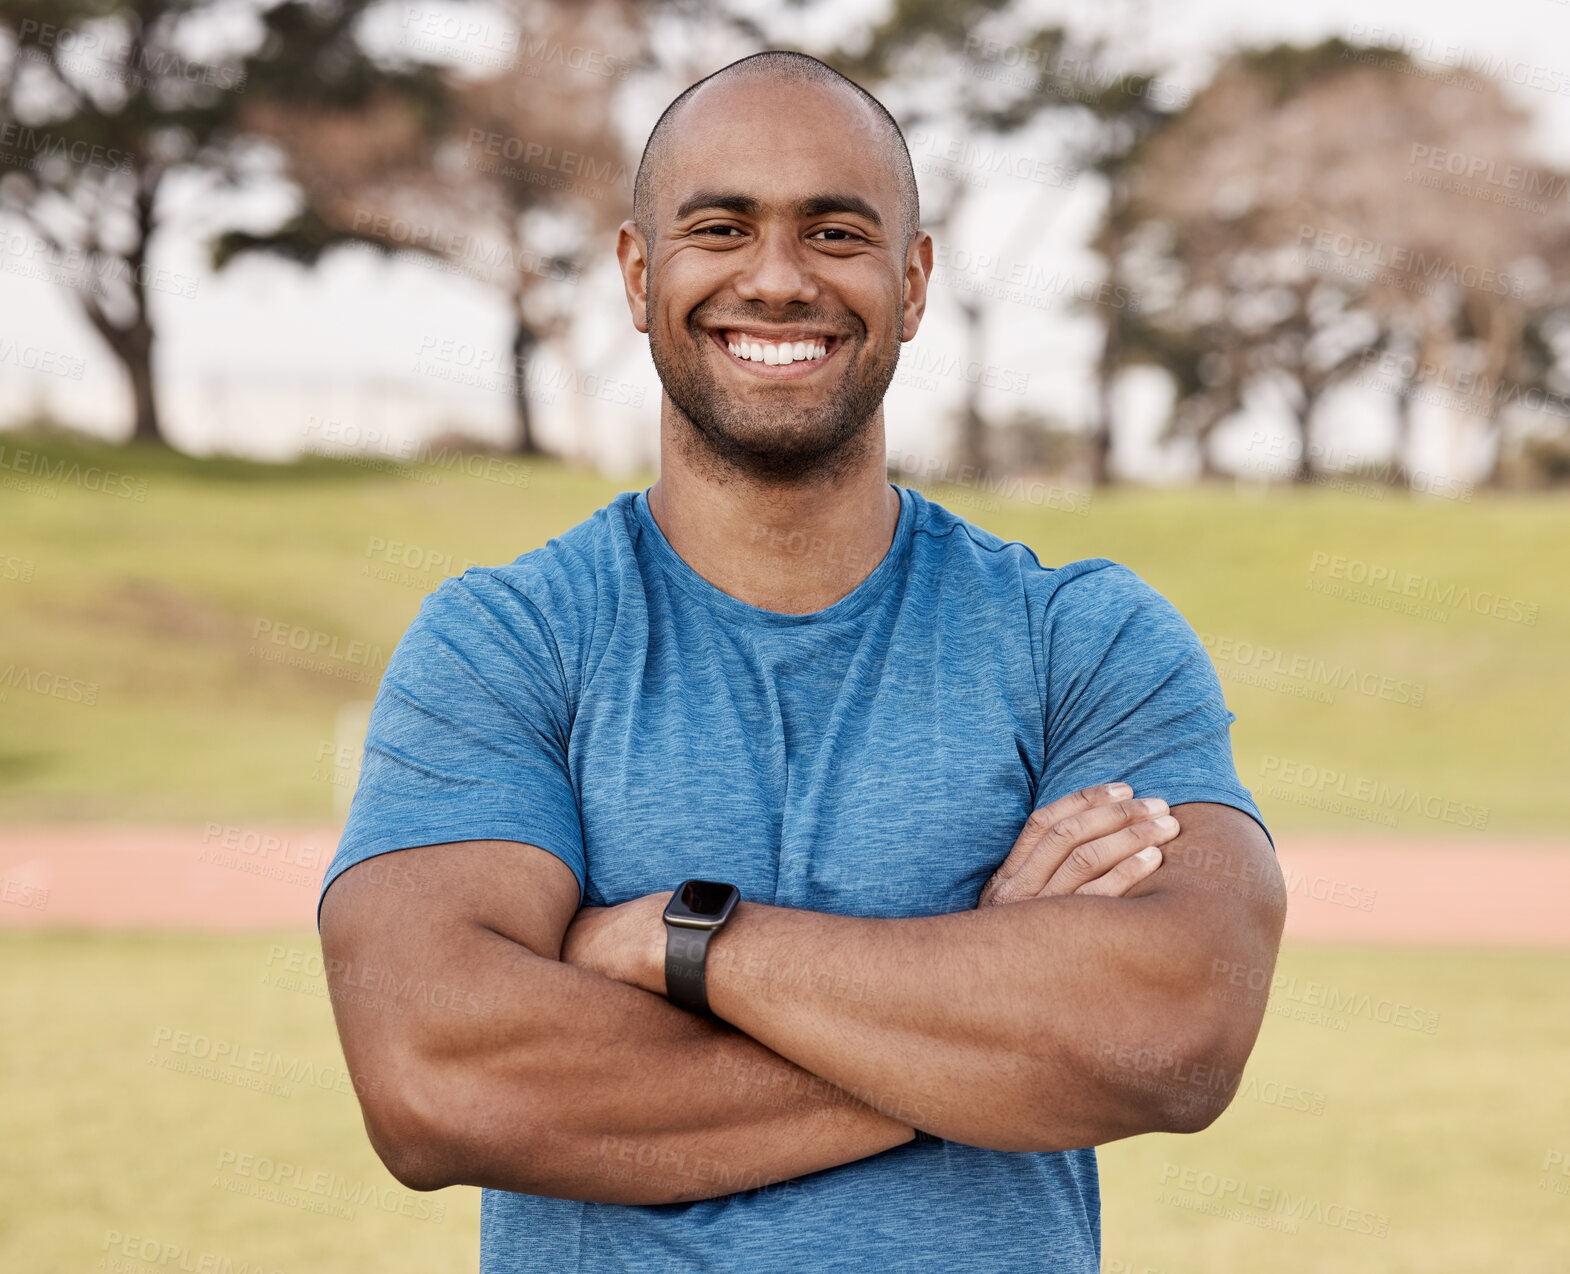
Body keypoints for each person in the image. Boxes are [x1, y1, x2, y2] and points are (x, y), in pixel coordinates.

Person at [317, 49, 1286, 1274]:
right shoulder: (508, 640)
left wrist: (688, 941)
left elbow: (1175, 1028)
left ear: (913, 278)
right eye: (720, 227)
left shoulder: (1080, 640)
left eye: (835, 231)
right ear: (637, 271)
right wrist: (983, 1024)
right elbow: (435, 1077)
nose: (776, 280)